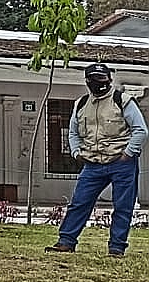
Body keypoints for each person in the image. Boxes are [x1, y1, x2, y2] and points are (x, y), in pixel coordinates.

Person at [46, 63, 146, 257]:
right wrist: (76, 152)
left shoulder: (122, 100)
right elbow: (73, 132)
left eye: (102, 79)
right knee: (79, 202)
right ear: (87, 82)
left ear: (110, 80)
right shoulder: (81, 104)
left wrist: (129, 152)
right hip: (92, 163)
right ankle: (66, 241)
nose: (98, 83)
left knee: (123, 206)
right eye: (94, 80)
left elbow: (140, 130)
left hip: (121, 162)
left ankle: (116, 248)